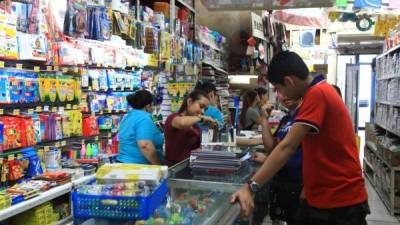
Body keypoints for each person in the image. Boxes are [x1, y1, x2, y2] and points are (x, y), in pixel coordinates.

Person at [231, 51, 369, 225]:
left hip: (339, 201)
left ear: (289, 81)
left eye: (279, 89)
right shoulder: (320, 90)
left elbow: (287, 147)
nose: (281, 95)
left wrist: (251, 187)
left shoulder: (317, 94)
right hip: (329, 197)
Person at [252, 94, 303, 225]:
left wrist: (268, 160)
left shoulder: (304, 117)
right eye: (280, 91)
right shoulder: (286, 119)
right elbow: (271, 147)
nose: (284, 95)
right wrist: (264, 119)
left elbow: (290, 150)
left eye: (286, 89)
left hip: (301, 186)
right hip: (286, 186)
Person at [164, 90, 218, 166]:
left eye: (205, 110)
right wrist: (202, 118)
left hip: (190, 167)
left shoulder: (195, 126)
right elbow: (182, 123)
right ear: (189, 101)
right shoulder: (173, 118)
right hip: (175, 169)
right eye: (201, 106)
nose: (202, 112)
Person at [117, 90, 164, 164]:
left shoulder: (127, 116)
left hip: (124, 163)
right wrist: (158, 165)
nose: (153, 108)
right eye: (153, 105)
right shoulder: (145, 118)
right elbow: (145, 145)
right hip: (138, 168)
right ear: (148, 106)